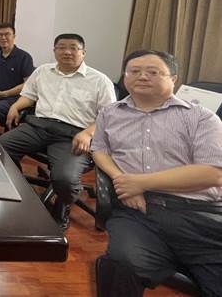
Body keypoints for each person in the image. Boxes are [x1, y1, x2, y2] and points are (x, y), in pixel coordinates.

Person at [91, 50, 222, 297]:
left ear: (173, 79)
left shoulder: (202, 118)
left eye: (153, 72)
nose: (142, 77)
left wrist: (139, 183)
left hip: (200, 215)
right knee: (121, 264)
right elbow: (99, 149)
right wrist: (121, 181)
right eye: (134, 71)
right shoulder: (110, 113)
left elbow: (212, 173)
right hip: (139, 213)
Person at [0, 33, 116, 229]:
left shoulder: (100, 81)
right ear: (54, 51)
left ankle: (62, 207)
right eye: (61, 47)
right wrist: (16, 106)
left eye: (73, 48)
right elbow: (29, 95)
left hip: (74, 135)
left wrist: (88, 133)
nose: (67, 52)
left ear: (83, 52)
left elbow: (109, 117)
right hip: (38, 127)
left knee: (65, 178)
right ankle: (19, 188)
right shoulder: (43, 71)